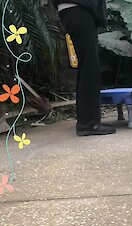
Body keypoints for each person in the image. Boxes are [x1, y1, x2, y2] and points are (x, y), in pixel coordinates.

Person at [53, 0, 116, 136]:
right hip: (78, 9)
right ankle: (88, 124)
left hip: (75, 10)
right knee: (89, 67)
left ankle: (87, 121)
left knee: (86, 66)